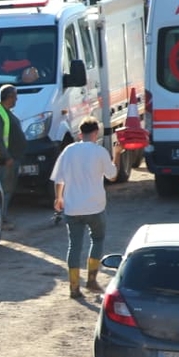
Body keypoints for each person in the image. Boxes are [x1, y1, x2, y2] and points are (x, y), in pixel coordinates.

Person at [49, 116, 123, 299]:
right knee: (97, 240)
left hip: (72, 207)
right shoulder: (100, 152)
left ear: (80, 133)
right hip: (95, 206)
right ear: (96, 133)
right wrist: (118, 154)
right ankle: (91, 279)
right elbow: (112, 176)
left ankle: (74, 288)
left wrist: (58, 198)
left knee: (74, 246)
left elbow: (59, 179)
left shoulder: (69, 151)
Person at [0, 84, 26, 228]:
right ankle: (1, 219)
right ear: (10, 97)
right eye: (15, 96)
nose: (16, 99)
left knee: (8, 189)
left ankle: (3, 217)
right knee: (5, 190)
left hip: (12, 158)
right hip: (7, 160)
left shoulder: (5, 111)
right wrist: (6, 157)